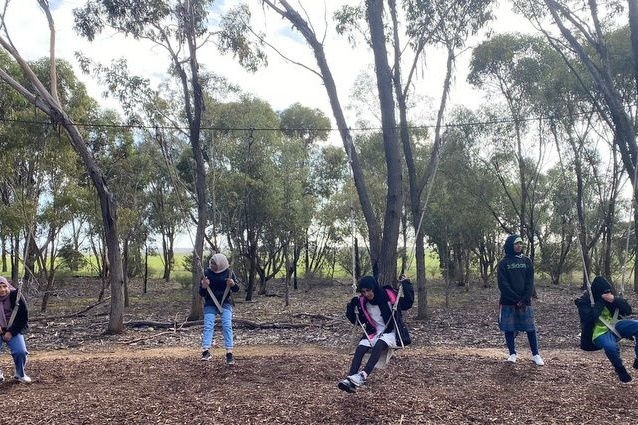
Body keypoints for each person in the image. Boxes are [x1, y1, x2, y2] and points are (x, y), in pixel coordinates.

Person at [338, 275, 414, 393]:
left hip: (392, 331)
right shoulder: (363, 302)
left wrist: (406, 284)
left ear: (374, 287)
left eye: (368, 290)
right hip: (374, 332)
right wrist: (351, 308)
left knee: (379, 344)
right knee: (360, 349)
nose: (367, 294)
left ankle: (363, 375)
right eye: (363, 292)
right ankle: (351, 379)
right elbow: (356, 321)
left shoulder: (389, 296)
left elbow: (408, 303)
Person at [575, 276, 638, 383]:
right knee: (610, 346)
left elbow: (628, 311)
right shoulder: (583, 301)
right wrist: (601, 301)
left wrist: (614, 299)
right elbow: (589, 318)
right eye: (605, 293)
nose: (608, 294)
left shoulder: (611, 297)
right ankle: (620, 369)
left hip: (616, 325)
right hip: (598, 331)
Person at [497, 234, 544, 366]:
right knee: (509, 328)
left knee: (530, 328)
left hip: (525, 302)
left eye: (521, 243)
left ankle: (536, 354)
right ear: (510, 245)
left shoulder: (527, 261)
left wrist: (524, 299)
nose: (519, 246)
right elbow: (503, 284)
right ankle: (512, 353)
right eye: (516, 243)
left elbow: (530, 282)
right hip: (508, 301)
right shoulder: (503, 263)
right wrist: (515, 298)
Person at [199, 253, 239, 365]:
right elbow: (201, 293)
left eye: (214, 263)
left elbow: (236, 289)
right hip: (210, 303)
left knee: (227, 325)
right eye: (211, 262)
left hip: (225, 303)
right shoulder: (206, 273)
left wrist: (232, 284)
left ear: (220, 264)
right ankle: (206, 351)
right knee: (208, 325)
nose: (211, 265)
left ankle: (229, 353)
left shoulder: (229, 273)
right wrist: (204, 286)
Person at [0, 276, 31, 383]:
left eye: (4, 286)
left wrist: (11, 332)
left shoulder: (16, 296)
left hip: (13, 328)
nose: (2, 290)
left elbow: (23, 317)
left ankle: (20, 373)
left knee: (20, 351)